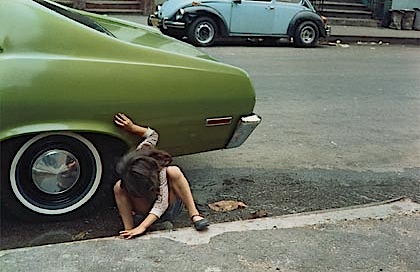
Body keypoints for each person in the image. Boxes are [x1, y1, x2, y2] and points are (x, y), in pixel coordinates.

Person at [113, 113, 209, 239]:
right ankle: (129, 229)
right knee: (118, 187)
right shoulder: (141, 152)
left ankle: (194, 214)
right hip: (142, 211)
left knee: (174, 171)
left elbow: (161, 203)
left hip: (167, 209)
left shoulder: (160, 171)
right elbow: (152, 135)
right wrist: (132, 128)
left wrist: (143, 227)